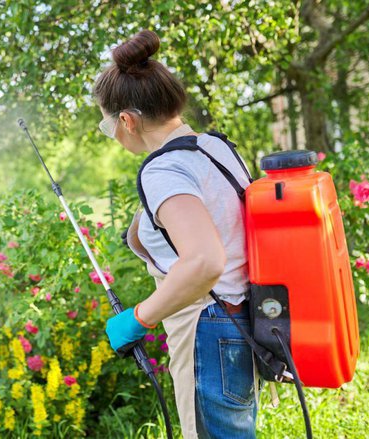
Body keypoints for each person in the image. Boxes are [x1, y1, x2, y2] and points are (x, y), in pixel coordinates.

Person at [95, 30, 259, 438]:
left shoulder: (164, 170)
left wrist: (138, 317)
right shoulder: (214, 148)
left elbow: (205, 261)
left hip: (210, 328)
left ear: (128, 121)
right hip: (240, 322)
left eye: (107, 124)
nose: (111, 133)